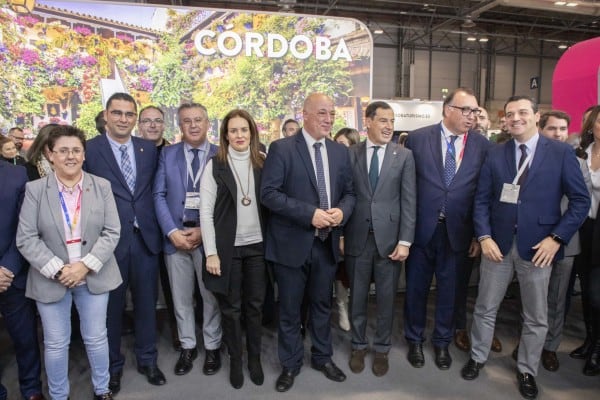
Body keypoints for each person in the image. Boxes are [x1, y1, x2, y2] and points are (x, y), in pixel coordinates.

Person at [461, 96, 589, 400]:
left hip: (539, 248)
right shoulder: (495, 154)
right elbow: (481, 200)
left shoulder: (560, 153)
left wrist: (556, 238)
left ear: (536, 115)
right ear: (504, 120)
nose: (515, 118)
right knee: (484, 307)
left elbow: (580, 202)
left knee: (535, 316)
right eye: (510, 114)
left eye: (522, 112)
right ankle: (478, 357)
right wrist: (484, 237)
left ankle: (527, 369)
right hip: (498, 246)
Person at [16, 125, 122, 400]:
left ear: (84, 155)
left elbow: (112, 232)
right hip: (52, 277)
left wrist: (84, 266)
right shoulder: (35, 190)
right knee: (55, 343)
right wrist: (60, 270)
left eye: (76, 150)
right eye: (63, 151)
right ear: (50, 155)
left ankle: (102, 389)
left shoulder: (101, 187)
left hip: (93, 275)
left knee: (97, 338)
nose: (70, 156)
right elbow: (26, 238)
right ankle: (59, 395)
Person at [261, 93, 355, 392]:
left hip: (326, 244)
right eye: (322, 113)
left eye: (332, 114)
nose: (329, 119)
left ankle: (322, 357)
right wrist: (309, 214)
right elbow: (269, 194)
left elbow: (350, 194)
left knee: (322, 306)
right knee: (289, 310)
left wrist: (342, 211)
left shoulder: (340, 153)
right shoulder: (282, 149)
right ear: (305, 114)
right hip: (291, 244)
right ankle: (290, 365)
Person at [403, 87, 491, 371]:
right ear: (447, 110)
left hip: (459, 233)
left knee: (450, 291)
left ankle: (442, 342)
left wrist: (480, 233)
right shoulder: (417, 139)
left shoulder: (482, 145)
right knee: (416, 289)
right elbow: (406, 188)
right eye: (466, 110)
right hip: (421, 230)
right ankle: (414, 339)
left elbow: (483, 194)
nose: (472, 116)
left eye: (475, 111)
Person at [84, 93, 166, 394]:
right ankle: (112, 368)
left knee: (147, 305)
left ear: (136, 119)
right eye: (117, 113)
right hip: (107, 243)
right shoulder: (90, 150)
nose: (123, 119)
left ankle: (148, 360)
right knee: (111, 309)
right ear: (106, 115)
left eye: (129, 114)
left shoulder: (147, 149)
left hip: (144, 238)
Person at [344, 101, 416, 377]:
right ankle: (359, 345)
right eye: (383, 120)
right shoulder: (350, 154)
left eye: (392, 121)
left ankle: (382, 349)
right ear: (368, 122)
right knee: (357, 298)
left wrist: (405, 241)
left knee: (387, 300)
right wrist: (339, 235)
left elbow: (410, 200)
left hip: (389, 242)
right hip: (356, 240)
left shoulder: (404, 156)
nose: (389, 126)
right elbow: (344, 195)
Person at [516, 110, 590, 372]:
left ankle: (549, 346)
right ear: (540, 128)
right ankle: (527, 344)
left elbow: (581, 203)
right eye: (552, 129)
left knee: (557, 299)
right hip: (533, 241)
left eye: (562, 129)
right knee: (533, 300)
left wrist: (558, 236)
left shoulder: (576, 161)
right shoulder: (528, 158)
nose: (557, 134)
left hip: (564, 243)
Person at [153, 103, 222, 377]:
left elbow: (226, 203)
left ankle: (213, 346)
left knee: (210, 297)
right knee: (181, 298)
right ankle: (188, 346)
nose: (193, 126)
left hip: (208, 240)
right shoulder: (167, 155)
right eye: (186, 121)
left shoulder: (220, 154)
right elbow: (158, 195)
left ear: (208, 124)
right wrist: (171, 232)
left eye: (198, 120)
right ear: (179, 126)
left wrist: (206, 231)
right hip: (176, 238)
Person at [200, 109, 267, 389]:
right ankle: (236, 361)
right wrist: (211, 252)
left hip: (257, 248)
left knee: (255, 307)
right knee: (231, 310)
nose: (239, 135)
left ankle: (255, 360)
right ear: (225, 135)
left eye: (244, 130)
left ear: (251, 133)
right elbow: (205, 212)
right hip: (228, 250)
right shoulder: (215, 165)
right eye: (233, 130)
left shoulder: (262, 163)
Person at [0, 160, 44, 400]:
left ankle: (32, 390)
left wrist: (7, 268)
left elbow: (25, 228)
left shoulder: (17, 175)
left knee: (26, 338)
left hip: (11, 274)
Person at [138, 105, 178, 349]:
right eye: (147, 121)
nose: (152, 125)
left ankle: (180, 333)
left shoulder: (175, 152)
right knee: (147, 291)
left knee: (177, 289)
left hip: (174, 228)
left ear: (164, 124)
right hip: (143, 231)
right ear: (139, 125)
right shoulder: (132, 151)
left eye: (157, 121)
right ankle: (146, 340)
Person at [570, 105, 600, 373]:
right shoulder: (580, 153)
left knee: (596, 293)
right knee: (587, 291)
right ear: (591, 125)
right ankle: (590, 341)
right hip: (582, 229)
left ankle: (598, 348)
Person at [332, 127, 360, 332]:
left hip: (356, 227)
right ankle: (340, 307)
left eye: (344, 145)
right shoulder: (332, 167)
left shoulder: (360, 167)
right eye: (337, 143)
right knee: (337, 273)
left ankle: (349, 309)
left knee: (350, 275)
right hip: (336, 227)